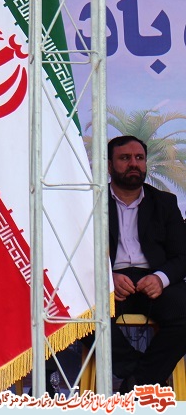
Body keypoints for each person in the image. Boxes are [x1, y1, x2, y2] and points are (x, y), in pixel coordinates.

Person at [107, 135, 186, 393]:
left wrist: (161, 278)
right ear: (109, 165)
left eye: (139, 158)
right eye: (125, 158)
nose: (134, 164)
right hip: (109, 283)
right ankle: (140, 378)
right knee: (75, 313)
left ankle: (134, 386)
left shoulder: (164, 203)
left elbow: (182, 255)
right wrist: (107, 278)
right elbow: (75, 255)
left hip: (153, 281)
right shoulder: (91, 202)